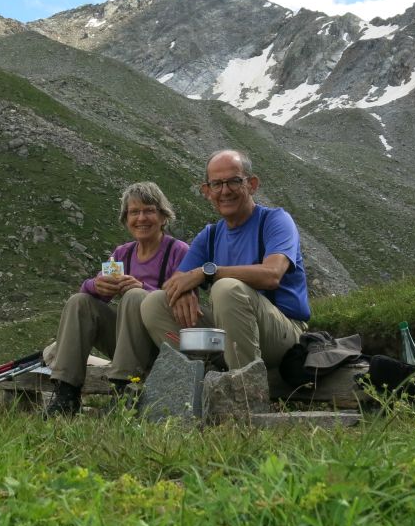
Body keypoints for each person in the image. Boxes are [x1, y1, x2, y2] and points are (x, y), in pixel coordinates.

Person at [135, 149, 310, 374]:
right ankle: (198, 381)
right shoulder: (210, 235)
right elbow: (176, 282)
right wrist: (184, 290)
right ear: (207, 191)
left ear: (252, 184)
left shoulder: (275, 221)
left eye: (234, 181)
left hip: (283, 333)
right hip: (231, 331)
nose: (225, 191)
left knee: (226, 288)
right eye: (216, 184)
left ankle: (244, 391)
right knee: (155, 302)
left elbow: (272, 274)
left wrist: (209, 273)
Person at [44, 181, 189, 415]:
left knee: (133, 296)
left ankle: (124, 392)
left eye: (149, 211)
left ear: (163, 217)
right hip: (126, 345)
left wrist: (143, 290)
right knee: (79, 302)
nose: (141, 218)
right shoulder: (123, 253)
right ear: (126, 220)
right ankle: (66, 394)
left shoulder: (179, 251)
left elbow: (183, 301)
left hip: (164, 342)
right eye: (134, 212)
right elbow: (88, 290)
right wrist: (96, 285)